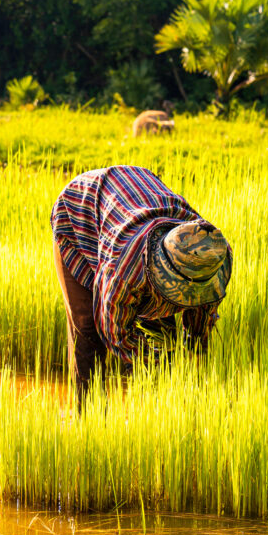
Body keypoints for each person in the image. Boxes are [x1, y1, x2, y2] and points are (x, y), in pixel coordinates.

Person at [51, 165, 232, 399]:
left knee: (164, 336)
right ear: (160, 270)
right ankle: (88, 419)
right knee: (88, 332)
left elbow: (199, 327)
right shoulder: (123, 272)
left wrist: (193, 360)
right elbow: (113, 331)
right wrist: (144, 361)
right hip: (79, 212)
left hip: (137, 195)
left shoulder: (210, 253)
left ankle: (162, 412)